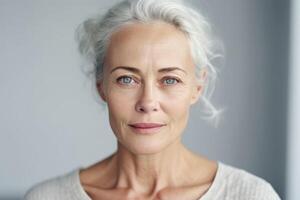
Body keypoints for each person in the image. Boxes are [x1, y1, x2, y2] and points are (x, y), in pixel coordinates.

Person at [24, 0, 281, 199]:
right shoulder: (47, 197)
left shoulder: (251, 195)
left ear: (197, 86)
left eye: (169, 80)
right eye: (127, 79)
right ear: (101, 86)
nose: (147, 102)